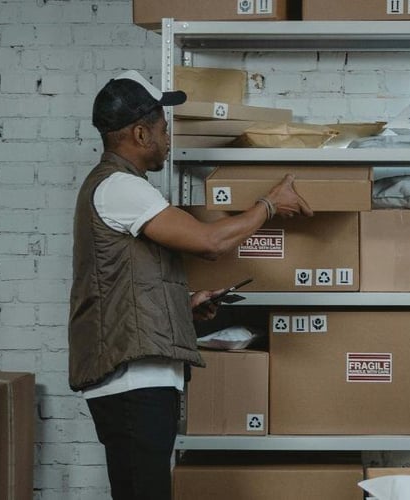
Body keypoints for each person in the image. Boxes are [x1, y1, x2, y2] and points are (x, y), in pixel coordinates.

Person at [68, 70, 312, 500]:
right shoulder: (119, 187)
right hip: (132, 383)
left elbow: (126, 280)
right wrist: (270, 205)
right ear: (140, 133)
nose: (168, 138)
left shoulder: (122, 189)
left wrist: (184, 303)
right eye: (163, 128)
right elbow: (210, 243)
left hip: (138, 378)